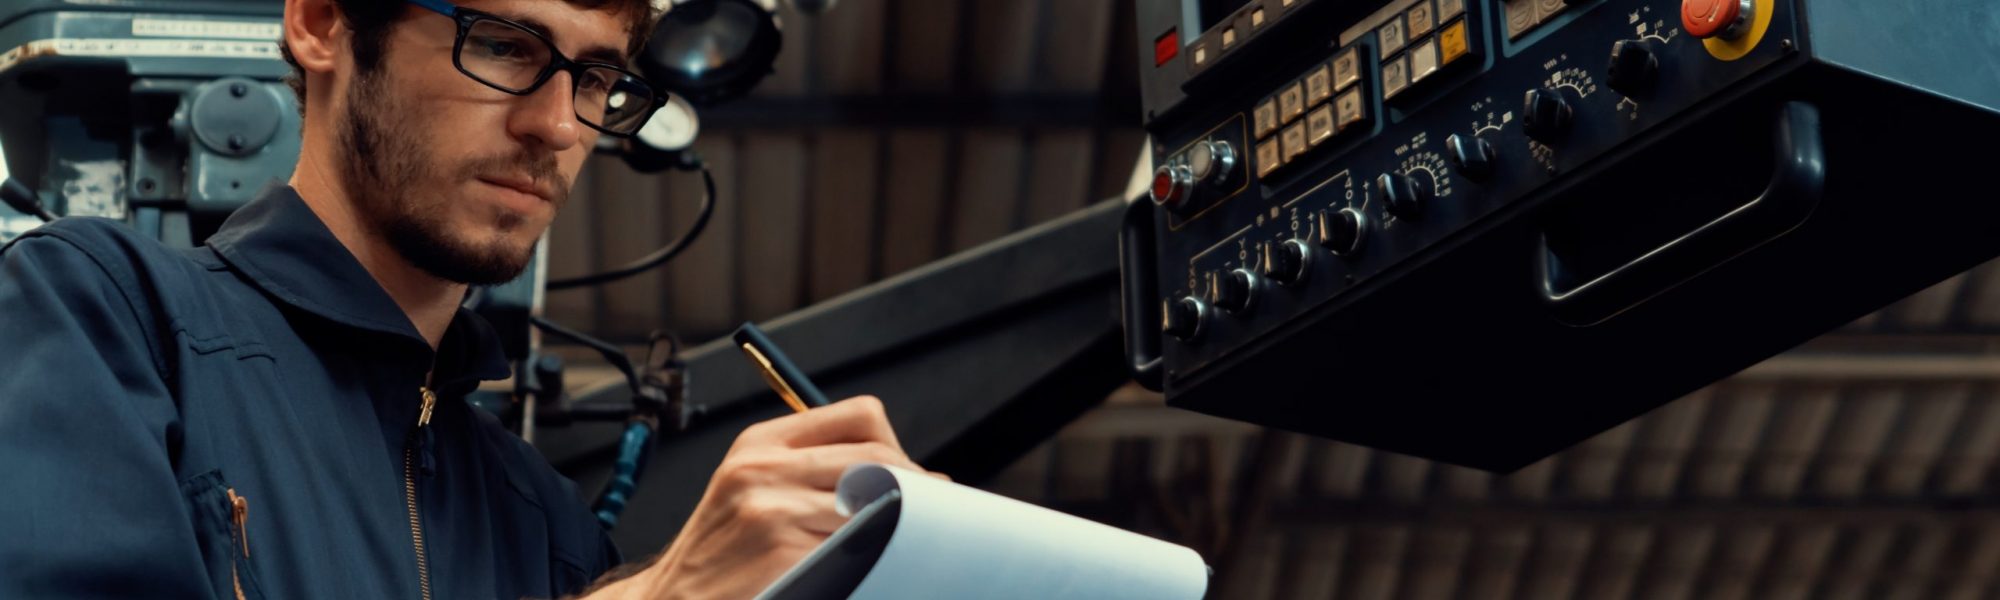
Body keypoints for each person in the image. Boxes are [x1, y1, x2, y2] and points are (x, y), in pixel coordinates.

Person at [0, 0, 936, 597]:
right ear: (323, 23)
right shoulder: (104, 314)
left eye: (598, 78)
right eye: (502, 44)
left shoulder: (548, 529)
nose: (557, 125)